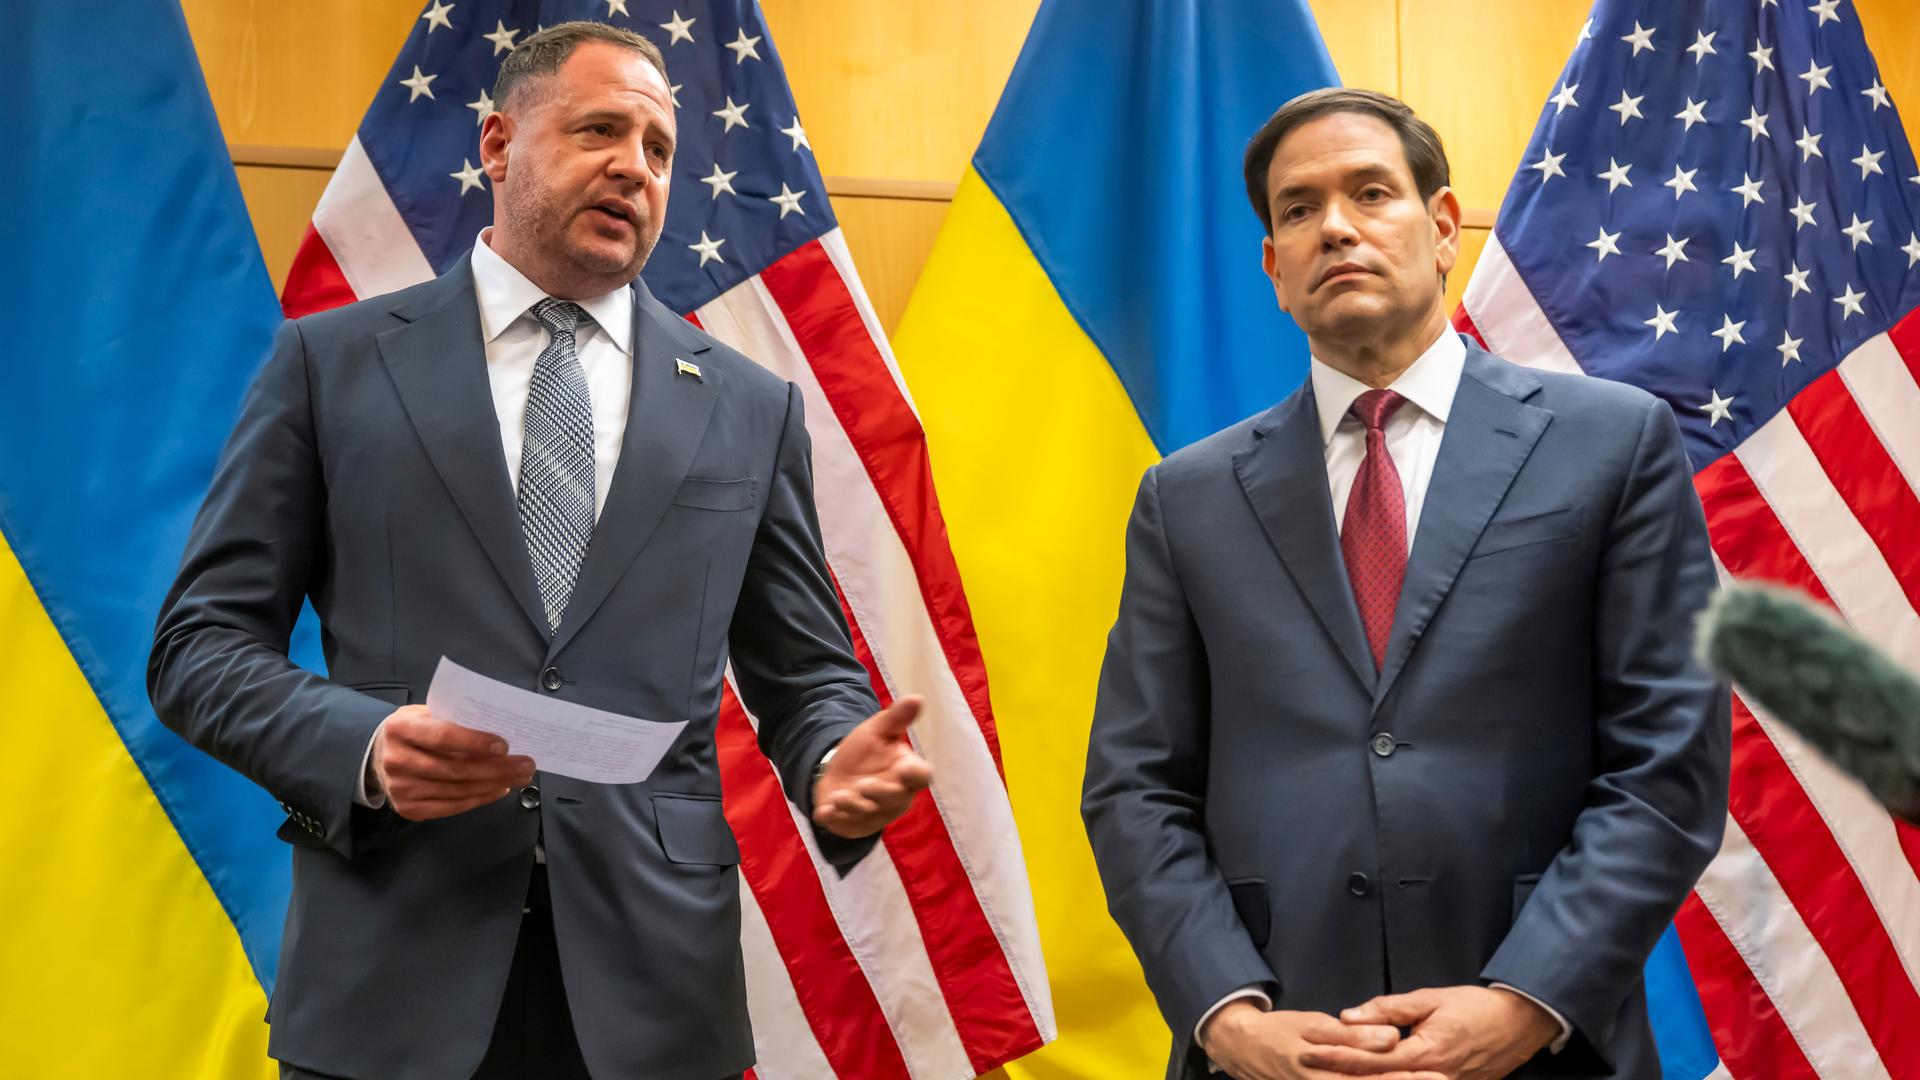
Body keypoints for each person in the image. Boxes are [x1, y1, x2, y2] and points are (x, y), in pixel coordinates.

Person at [149, 22, 930, 1080]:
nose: (635, 168)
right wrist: (365, 745)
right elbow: (198, 649)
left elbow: (807, 676)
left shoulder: (749, 409)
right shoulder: (330, 366)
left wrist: (836, 756)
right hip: (391, 979)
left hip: (656, 1001)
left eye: (659, 149)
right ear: (499, 143)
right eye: (600, 130)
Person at [1080, 87, 1729, 1080]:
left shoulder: (1614, 442)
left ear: (1443, 230)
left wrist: (1525, 998)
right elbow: (1135, 786)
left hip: (1545, 1048)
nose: (1336, 227)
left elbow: (1668, 757)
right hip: (1278, 1043)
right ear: (1275, 270)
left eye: (1371, 193)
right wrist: (1226, 1014)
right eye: (1299, 209)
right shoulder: (1186, 498)